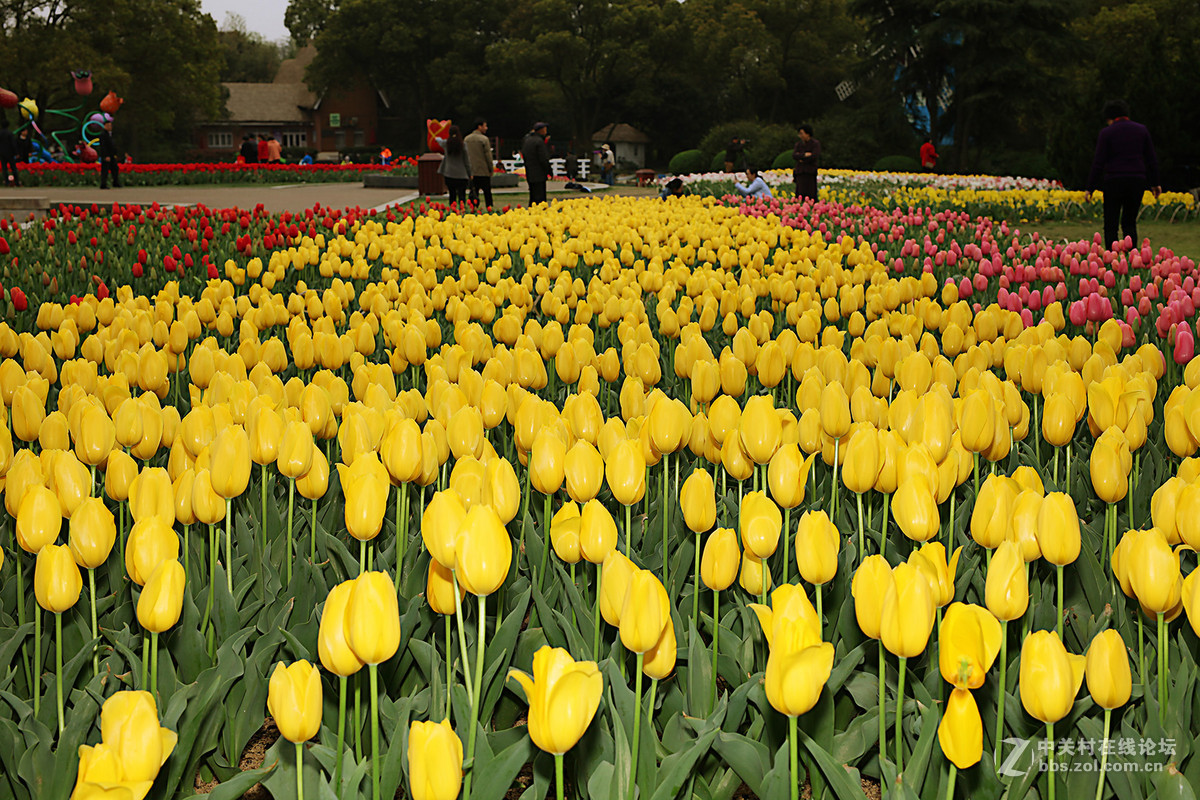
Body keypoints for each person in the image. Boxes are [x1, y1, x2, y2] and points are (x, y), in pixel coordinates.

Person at [1086, 99, 1161, 250]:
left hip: (1114, 180)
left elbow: (1098, 163)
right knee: (1129, 223)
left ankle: (1111, 258)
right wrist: (1155, 182)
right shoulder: (1142, 130)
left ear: (1109, 117)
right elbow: (1151, 159)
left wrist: (1090, 187)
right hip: (1136, 180)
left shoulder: (1106, 133)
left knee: (1111, 224)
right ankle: (1132, 258)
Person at [437, 124, 472, 207]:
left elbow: (439, 141)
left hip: (449, 174)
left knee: (452, 195)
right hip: (462, 175)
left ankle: (452, 212)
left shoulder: (446, 144)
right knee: (462, 196)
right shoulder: (463, 145)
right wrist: (470, 173)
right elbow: (467, 161)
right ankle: (462, 211)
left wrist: (436, 138)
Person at [464, 118, 494, 209]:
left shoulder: (466, 139)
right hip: (483, 170)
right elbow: (488, 156)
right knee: (487, 192)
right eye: (485, 126)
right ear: (479, 127)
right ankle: (489, 208)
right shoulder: (484, 139)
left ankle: (473, 208)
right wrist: (491, 169)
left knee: (474, 191)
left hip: (472, 171)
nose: (486, 128)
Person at [522, 121, 551, 205]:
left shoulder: (527, 140)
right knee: (540, 198)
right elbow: (543, 159)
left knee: (533, 197)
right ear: (541, 130)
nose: (546, 131)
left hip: (530, 173)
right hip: (539, 173)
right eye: (545, 129)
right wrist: (549, 170)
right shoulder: (539, 141)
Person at [793, 124, 820, 201]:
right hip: (800, 172)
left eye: (802, 133)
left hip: (810, 172)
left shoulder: (815, 144)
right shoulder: (798, 144)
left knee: (810, 194)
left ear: (807, 134)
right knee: (800, 194)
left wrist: (801, 158)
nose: (800, 135)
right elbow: (794, 155)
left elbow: (814, 156)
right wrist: (805, 155)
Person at [98, 119, 120, 188]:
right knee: (105, 170)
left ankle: (115, 182)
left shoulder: (110, 134)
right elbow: (103, 146)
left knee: (115, 169)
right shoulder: (103, 134)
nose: (110, 127)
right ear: (105, 126)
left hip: (112, 155)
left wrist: (115, 154)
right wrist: (105, 156)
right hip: (106, 155)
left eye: (110, 125)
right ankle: (103, 184)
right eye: (108, 125)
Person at [0, 119, 19, 186]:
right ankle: (17, 182)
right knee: (13, 167)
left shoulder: (0, 133)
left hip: (2, 153)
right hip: (10, 153)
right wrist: (16, 153)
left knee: (4, 168)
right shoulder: (9, 133)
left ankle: (6, 182)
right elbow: (13, 144)